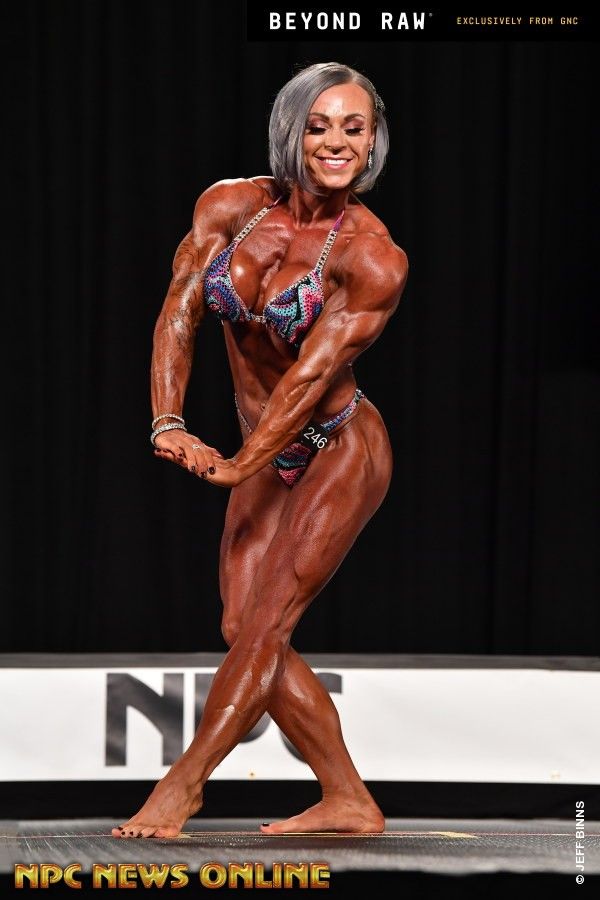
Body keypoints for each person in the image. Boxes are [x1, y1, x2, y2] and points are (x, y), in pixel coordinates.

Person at [113, 61, 408, 839]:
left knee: (266, 625)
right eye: (319, 125)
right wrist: (167, 420)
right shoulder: (231, 206)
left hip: (338, 445)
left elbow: (309, 379)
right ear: (291, 131)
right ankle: (348, 797)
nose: (336, 142)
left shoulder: (373, 256)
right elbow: (180, 310)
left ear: (372, 142)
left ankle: (182, 786)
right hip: (264, 448)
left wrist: (242, 465)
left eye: (354, 128)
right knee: (240, 623)